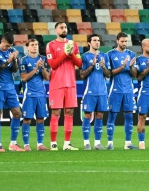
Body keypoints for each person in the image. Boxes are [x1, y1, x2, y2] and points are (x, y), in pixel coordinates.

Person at [45, 22, 83, 151]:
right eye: (61, 27)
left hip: (71, 83)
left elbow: (79, 63)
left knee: (69, 112)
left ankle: (67, 143)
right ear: (56, 30)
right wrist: (64, 54)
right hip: (57, 84)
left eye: (65, 27)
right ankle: (53, 143)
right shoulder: (51, 45)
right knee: (56, 112)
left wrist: (71, 53)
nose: (64, 29)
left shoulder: (73, 44)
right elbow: (52, 64)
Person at [106, 33, 138, 150]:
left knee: (129, 116)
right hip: (115, 90)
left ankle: (128, 143)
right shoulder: (110, 54)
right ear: (117, 41)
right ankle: (109, 143)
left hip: (128, 90)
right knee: (112, 116)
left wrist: (130, 67)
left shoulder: (131, 54)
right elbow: (109, 73)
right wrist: (122, 66)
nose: (124, 44)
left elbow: (135, 75)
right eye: (122, 41)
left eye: (126, 41)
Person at [79, 34, 109, 150]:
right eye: (94, 40)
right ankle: (86, 142)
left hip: (102, 91)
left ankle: (97, 143)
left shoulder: (104, 56)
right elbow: (82, 75)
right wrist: (92, 65)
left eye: (98, 40)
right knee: (87, 115)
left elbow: (108, 74)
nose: (97, 42)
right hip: (89, 91)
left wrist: (103, 67)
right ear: (89, 43)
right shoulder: (85, 57)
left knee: (100, 116)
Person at [19, 38, 50, 151]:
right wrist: (35, 68)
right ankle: (26, 145)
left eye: (36, 44)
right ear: (27, 47)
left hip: (41, 94)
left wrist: (42, 68)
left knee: (41, 119)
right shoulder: (24, 60)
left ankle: (40, 144)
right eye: (32, 45)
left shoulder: (43, 59)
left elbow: (47, 78)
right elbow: (23, 78)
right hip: (29, 94)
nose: (35, 46)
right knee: (27, 119)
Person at [0, 33, 24, 152]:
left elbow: (15, 70)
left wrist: (15, 60)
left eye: (10, 46)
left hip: (10, 86)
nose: (8, 48)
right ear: (1, 41)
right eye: (6, 45)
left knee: (17, 113)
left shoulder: (12, 51)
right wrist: (8, 60)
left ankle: (13, 143)